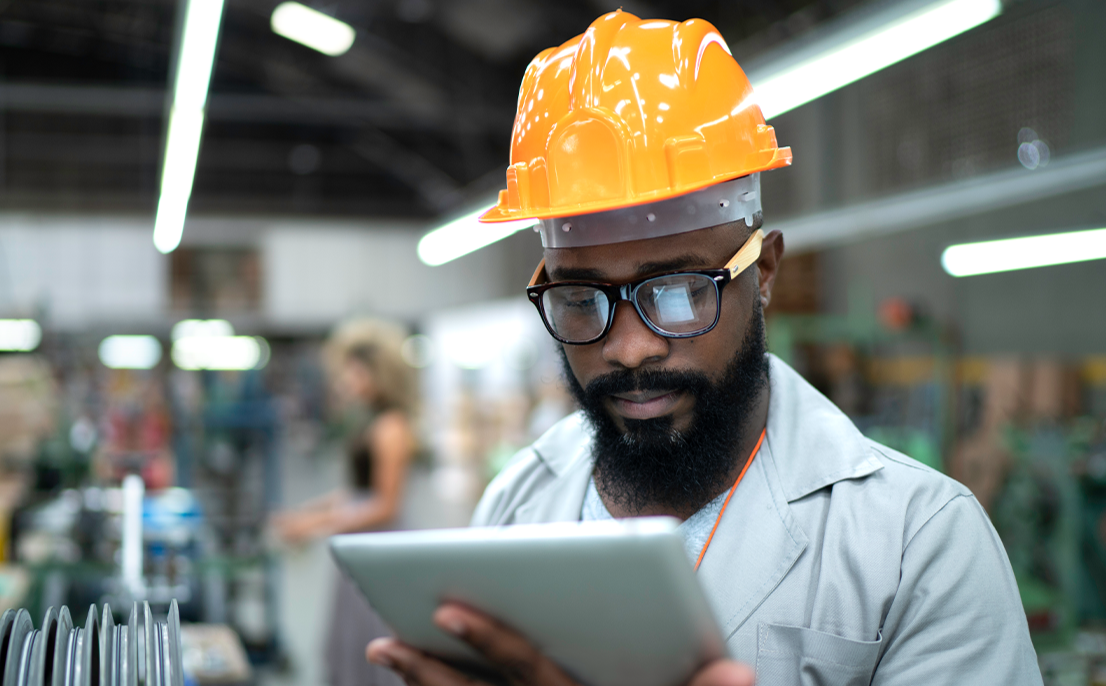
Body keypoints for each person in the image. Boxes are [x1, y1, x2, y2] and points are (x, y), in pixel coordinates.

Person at [365, 11, 1041, 685]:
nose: (630, 350)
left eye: (680, 292)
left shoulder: (917, 544)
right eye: (580, 298)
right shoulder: (519, 503)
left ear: (764, 270)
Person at [273, 318, 417, 686]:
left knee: (372, 644)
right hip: (360, 543)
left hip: (380, 548)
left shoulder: (391, 427)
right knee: (351, 642)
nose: (347, 381)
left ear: (377, 373)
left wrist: (317, 526)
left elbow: (385, 504)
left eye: (355, 371)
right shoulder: (368, 422)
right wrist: (306, 514)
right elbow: (355, 490)